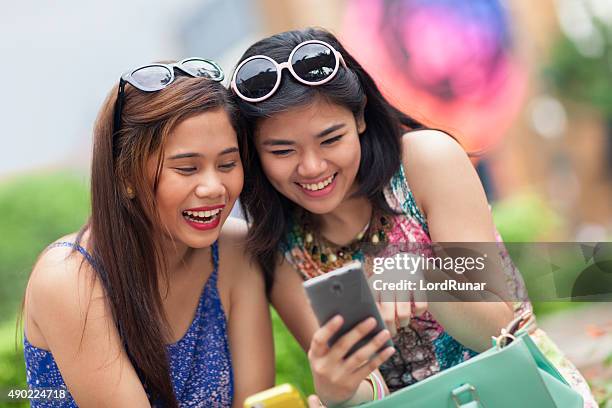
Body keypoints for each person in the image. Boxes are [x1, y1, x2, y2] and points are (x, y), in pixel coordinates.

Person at [231, 28, 597, 407]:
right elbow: (371, 389)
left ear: (359, 119)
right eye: (282, 151)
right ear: (256, 153)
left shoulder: (426, 163)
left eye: (330, 140)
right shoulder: (278, 249)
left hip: (526, 390)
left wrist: (423, 276)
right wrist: (337, 387)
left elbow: (499, 328)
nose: (311, 167)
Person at [22, 59, 274, 407]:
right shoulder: (70, 280)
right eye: (187, 168)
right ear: (125, 175)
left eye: (228, 164)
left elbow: (259, 402)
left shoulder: (235, 251)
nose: (214, 187)